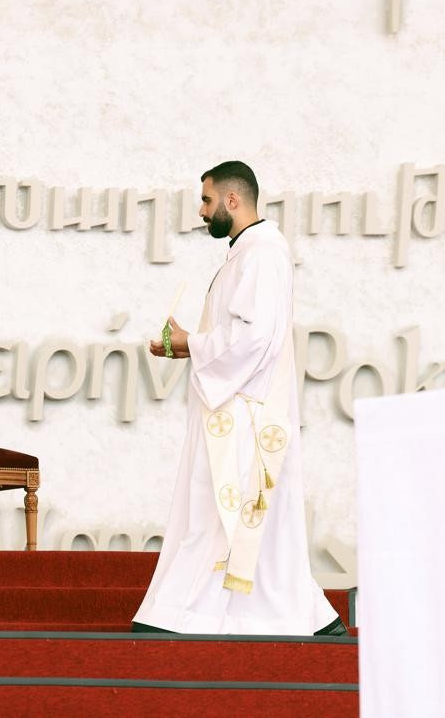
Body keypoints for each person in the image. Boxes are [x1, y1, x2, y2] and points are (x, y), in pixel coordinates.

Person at [132, 161, 345, 636]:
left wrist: (191, 343)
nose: (201, 211)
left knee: (218, 513)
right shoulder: (248, 252)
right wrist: (188, 345)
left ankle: (181, 613)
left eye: (207, 200)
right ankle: (312, 617)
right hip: (236, 408)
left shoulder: (262, 254)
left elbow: (254, 338)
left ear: (233, 199)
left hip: (244, 415)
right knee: (243, 521)